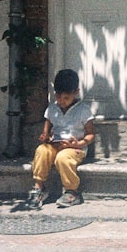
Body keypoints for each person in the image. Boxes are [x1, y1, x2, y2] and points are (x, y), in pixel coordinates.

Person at [27, 68, 95, 209]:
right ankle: (39, 188)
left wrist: (79, 143)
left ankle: (72, 192)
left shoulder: (83, 110)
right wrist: (45, 136)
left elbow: (91, 134)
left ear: (76, 93)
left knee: (62, 158)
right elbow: (47, 129)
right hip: (55, 145)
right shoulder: (52, 109)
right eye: (58, 97)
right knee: (41, 150)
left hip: (74, 148)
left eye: (66, 98)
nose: (62, 101)